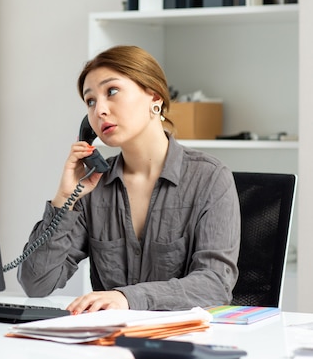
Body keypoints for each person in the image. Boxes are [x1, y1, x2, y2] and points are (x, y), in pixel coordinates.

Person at [17, 45, 240, 312]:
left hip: (181, 342)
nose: (99, 110)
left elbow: (214, 285)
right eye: (90, 101)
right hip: (110, 344)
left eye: (112, 92)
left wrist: (127, 298)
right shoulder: (94, 185)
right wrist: (66, 199)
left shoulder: (210, 178)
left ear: (154, 98)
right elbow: (36, 283)